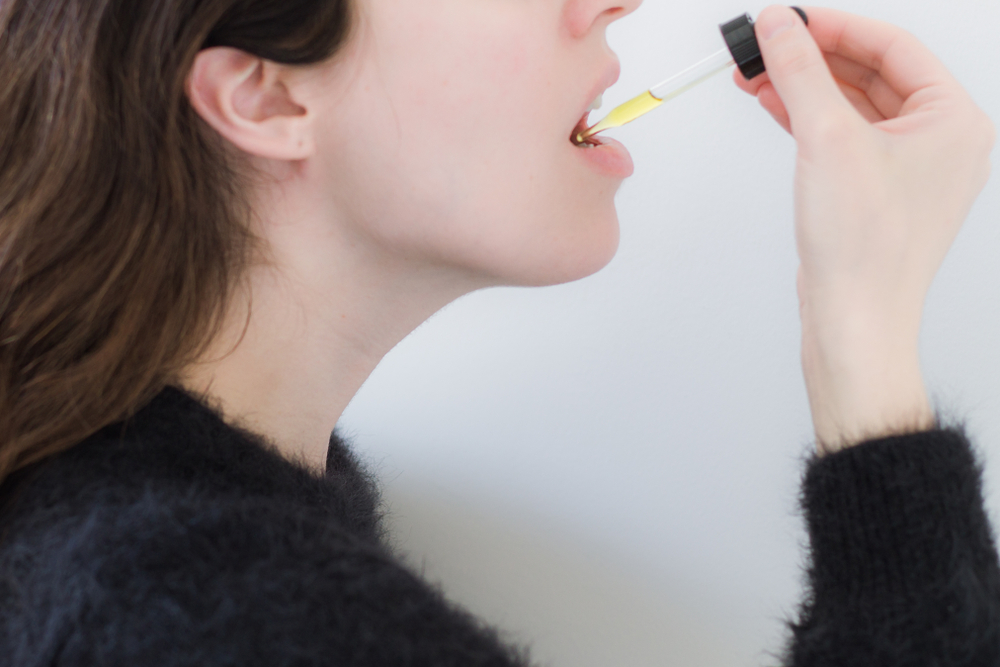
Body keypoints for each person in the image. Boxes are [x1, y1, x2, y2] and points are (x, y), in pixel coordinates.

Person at [0, 0, 995, 663]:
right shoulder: (223, 617)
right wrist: (865, 339)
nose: (612, 3)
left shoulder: (123, 536)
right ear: (268, 94)